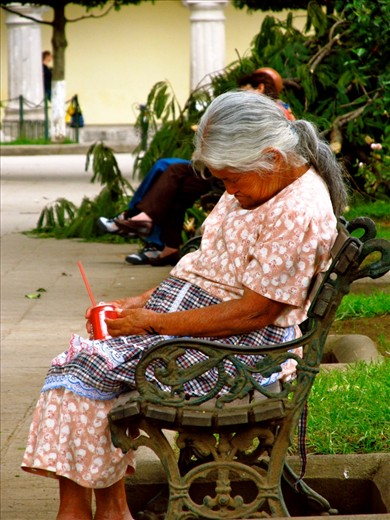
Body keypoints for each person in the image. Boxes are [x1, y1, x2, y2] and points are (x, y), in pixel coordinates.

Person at [21, 90, 347, 520]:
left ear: (272, 156)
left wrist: (153, 323)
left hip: (242, 354)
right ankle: (100, 506)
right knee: (82, 365)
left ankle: (93, 510)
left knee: (80, 366)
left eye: (232, 179)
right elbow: (205, 266)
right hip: (201, 334)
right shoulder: (259, 183)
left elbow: (255, 313)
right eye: (223, 181)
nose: (228, 191)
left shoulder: (298, 210)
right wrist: (138, 303)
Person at [98, 67, 293, 266]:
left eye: (244, 89)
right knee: (174, 182)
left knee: (171, 170)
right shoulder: (250, 110)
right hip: (222, 170)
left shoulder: (272, 113)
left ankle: (140, 223)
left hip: (235, 173)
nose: (240, 94)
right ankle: (161, 241)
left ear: (259, 88)